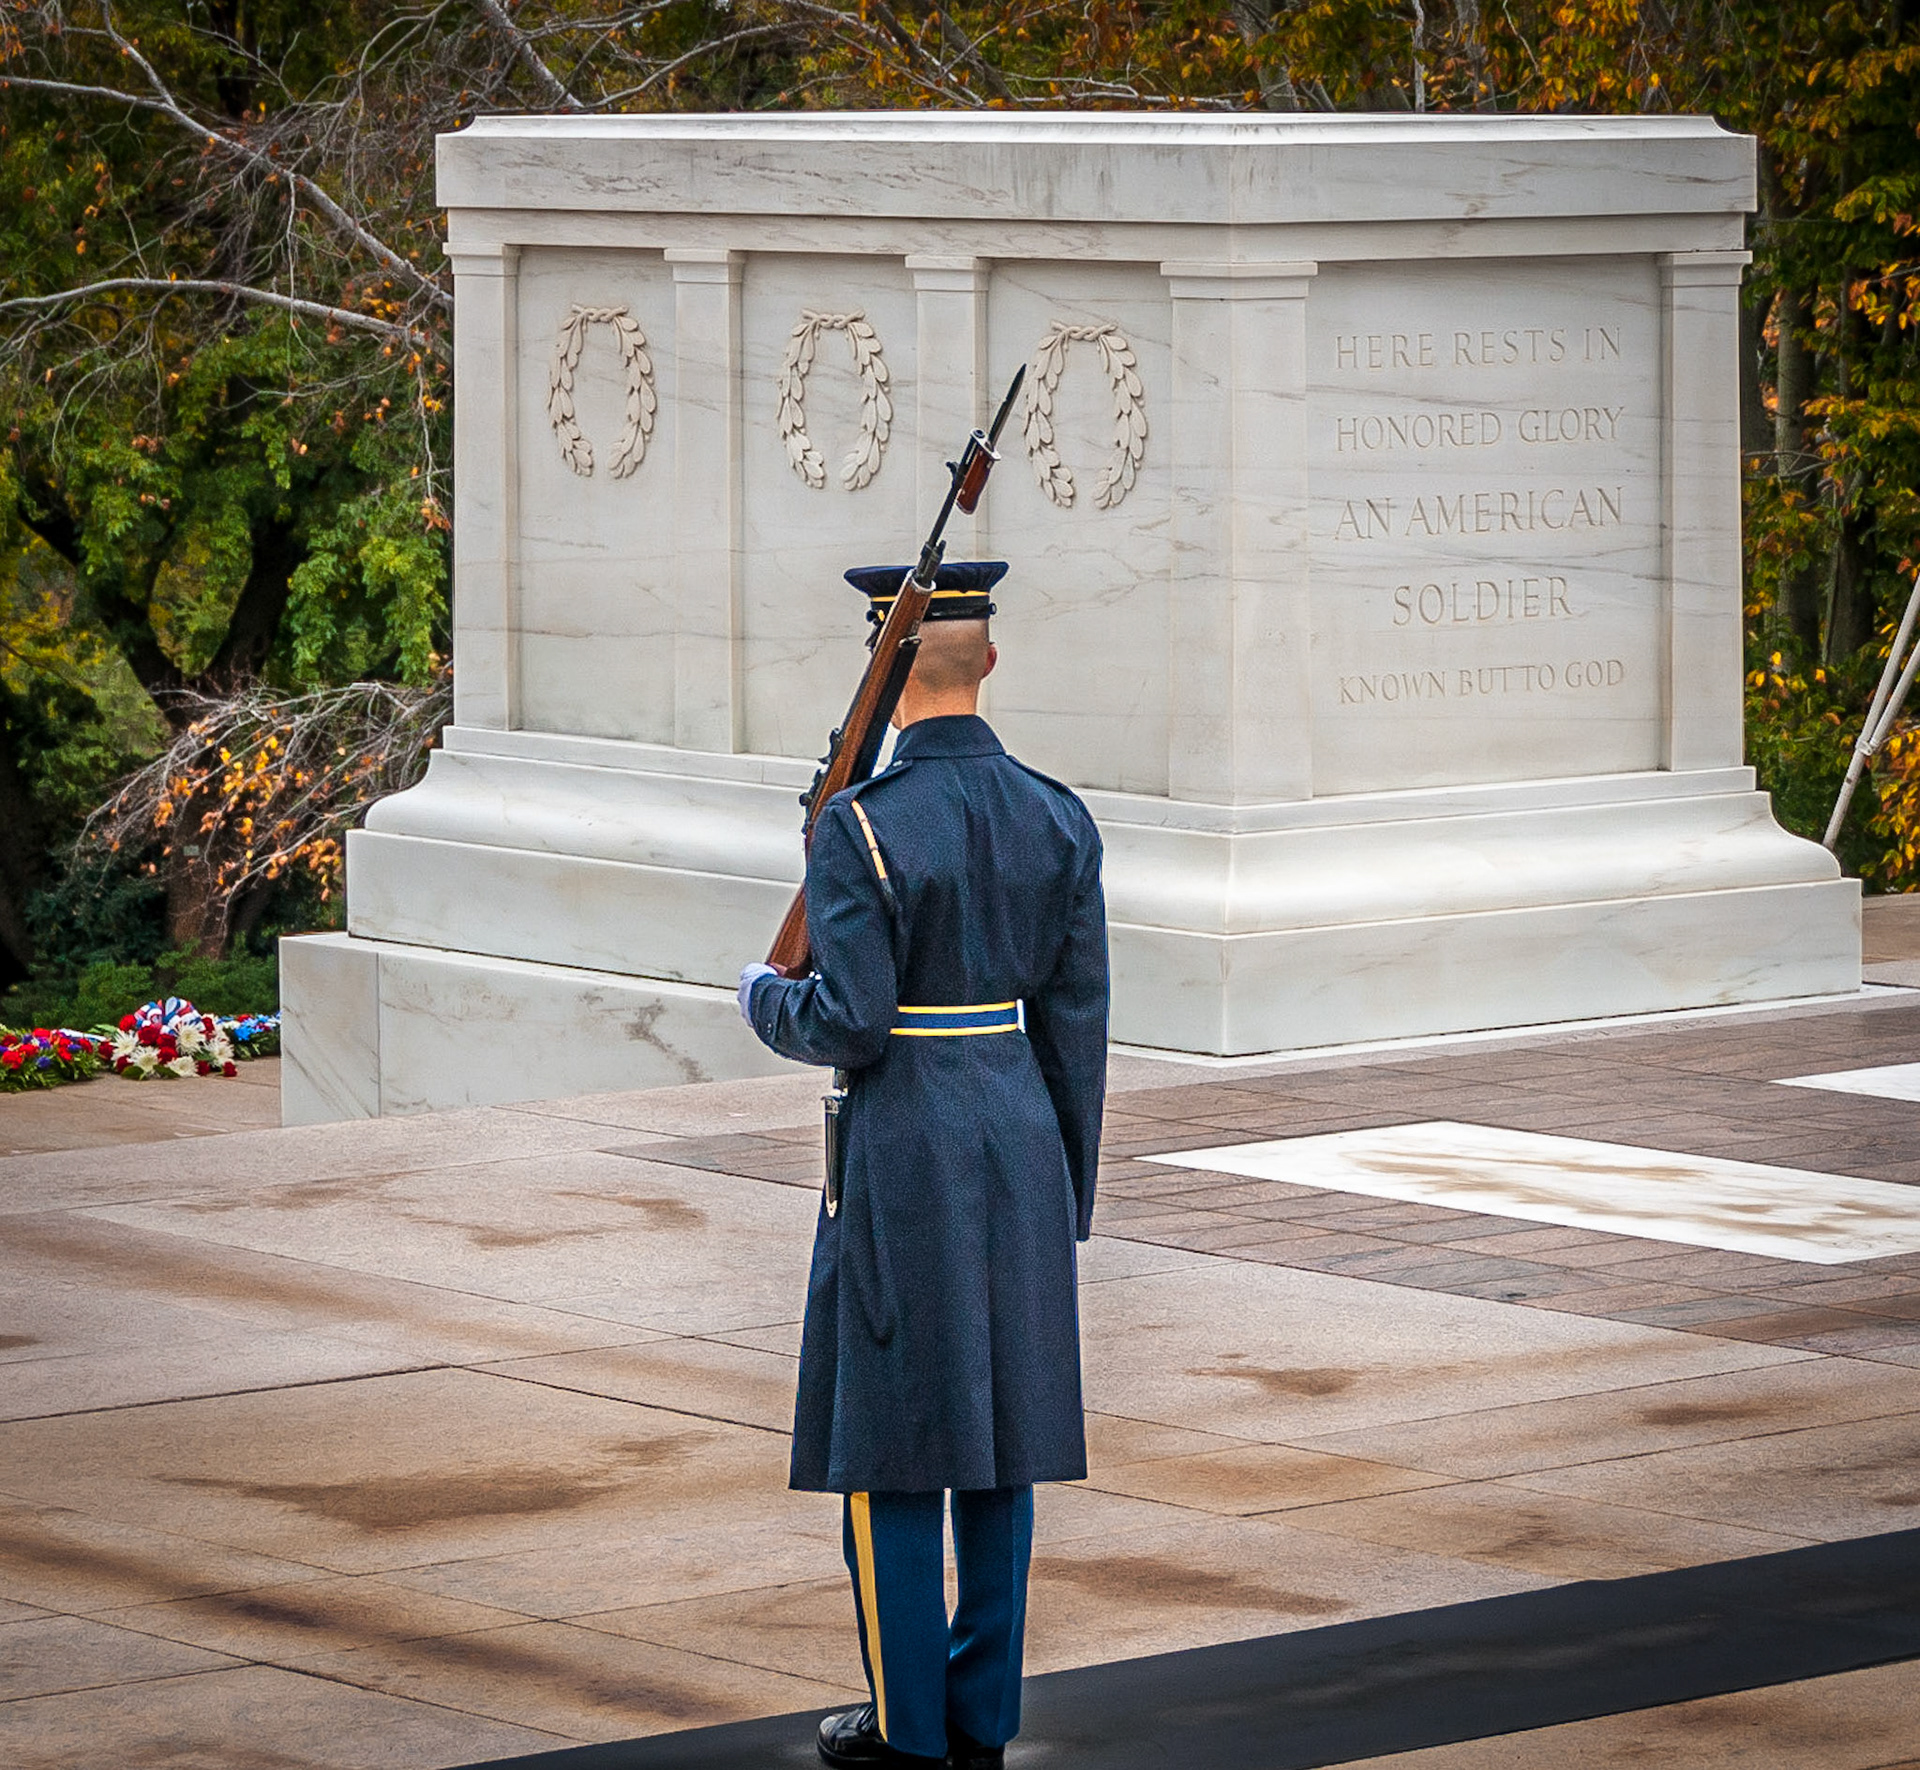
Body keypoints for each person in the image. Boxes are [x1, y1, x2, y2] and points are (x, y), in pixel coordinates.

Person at [738, 560, 1109, 1770]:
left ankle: (908, 1730)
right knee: (1002, 1446)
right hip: (1022, 1141)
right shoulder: (1061, 816)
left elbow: (847, 1021)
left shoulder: (860, 827)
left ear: (887, 678)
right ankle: (981, 1720)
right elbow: (1077, 1027)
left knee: (893, 1449)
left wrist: (761, 1001)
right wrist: (1068, 1195)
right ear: (989, 663)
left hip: (905, 1150)